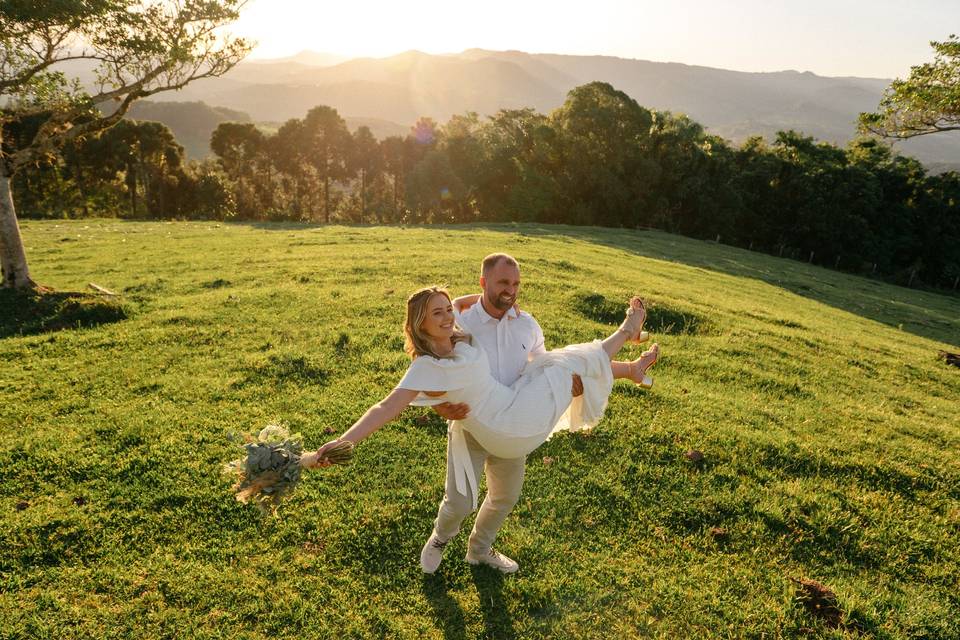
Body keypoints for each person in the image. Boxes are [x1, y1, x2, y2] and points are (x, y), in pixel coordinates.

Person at [310, 277, 659, 575]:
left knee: (554, 369)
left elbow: (466, 302)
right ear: (420, 324)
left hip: (514, 411)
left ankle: (479, 550)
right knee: (460, 502)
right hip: (492, 426)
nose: (448, 317)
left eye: (448, 310)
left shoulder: (463, 337)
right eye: (437, 313)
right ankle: (440, 538)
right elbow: (385, 407)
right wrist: (343, 441)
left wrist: (498, 303)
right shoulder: (425, 367)